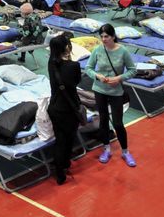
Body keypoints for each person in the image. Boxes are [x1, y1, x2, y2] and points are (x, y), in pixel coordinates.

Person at [85, 24, 137, 167]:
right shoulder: (97, 50)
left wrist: (119, 78)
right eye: (101, 36)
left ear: (113, 36)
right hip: (99, 90)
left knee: (118, 123)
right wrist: (97, 76)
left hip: (116, 92)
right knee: (103, 120)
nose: (103, 39)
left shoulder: (123, 52)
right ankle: (106, 148)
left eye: (106, 36)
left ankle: (125, 151)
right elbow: (88, 68)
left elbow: (132, 70)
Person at [46, 33, 82, 185]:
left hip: (54, 107)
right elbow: (76, 82)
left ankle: (59, 170)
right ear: (66, 48)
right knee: (68, 139)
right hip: (69, 108)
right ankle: (63, 165)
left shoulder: (51, 63)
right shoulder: (74, 66)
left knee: (60, 139)